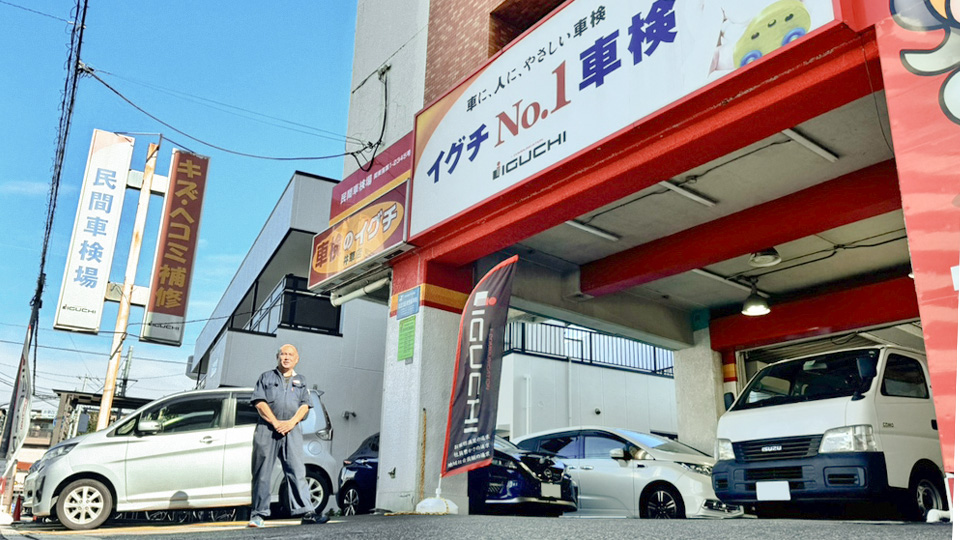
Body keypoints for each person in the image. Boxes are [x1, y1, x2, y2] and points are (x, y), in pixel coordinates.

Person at [248, 344, 328, 527]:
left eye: (290, 354)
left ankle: (306, 512)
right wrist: (276, 423)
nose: (286, 357)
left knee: (297, 471)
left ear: (296, 359)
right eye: (283, 354)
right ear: (277, 356)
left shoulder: (301, 380)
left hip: (292, 430)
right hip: (267, 428)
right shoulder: (265, 377)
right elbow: (259, 403)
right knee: (262, 472)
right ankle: (258, 515)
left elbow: (305, 406)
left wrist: (290, 423)